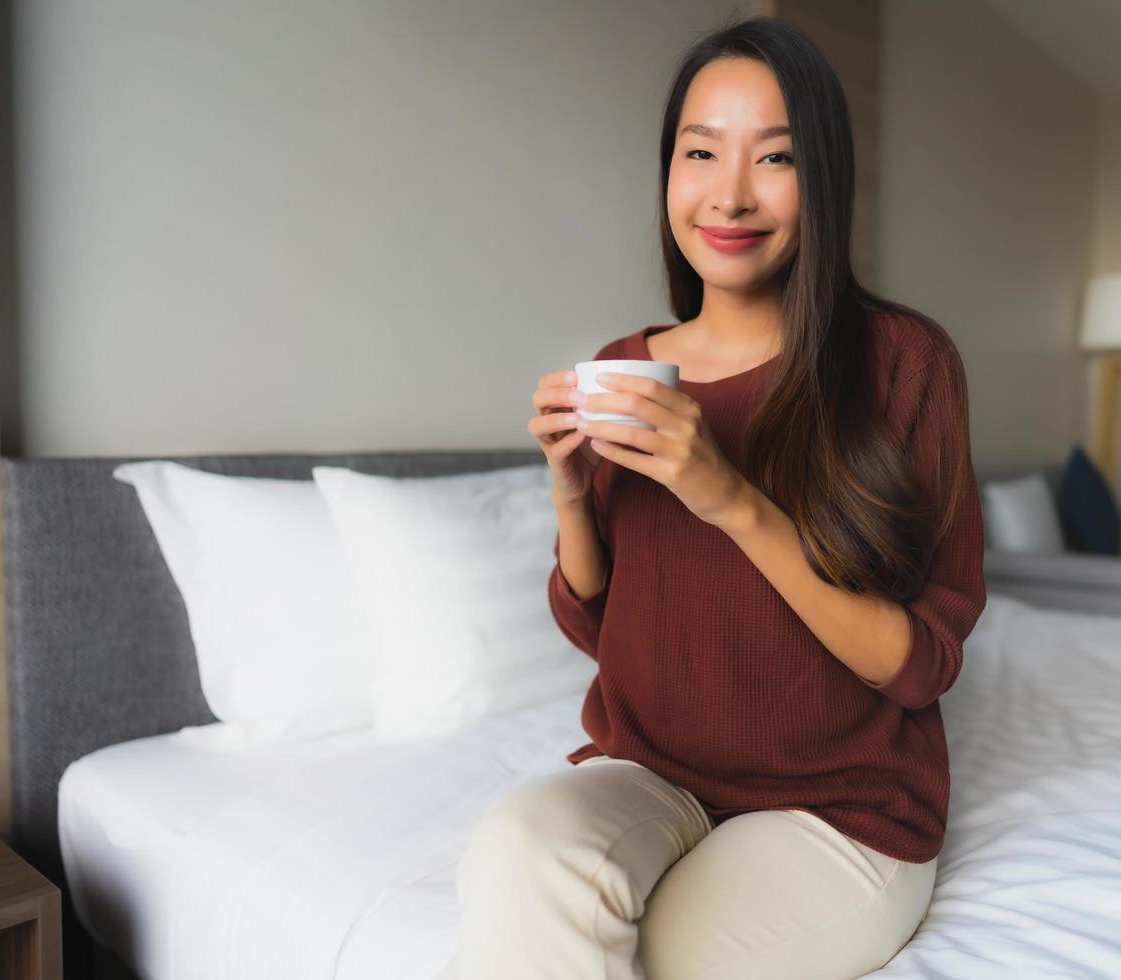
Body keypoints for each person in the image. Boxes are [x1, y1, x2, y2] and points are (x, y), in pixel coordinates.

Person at [442, 14, 986, 980]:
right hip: (651, 774)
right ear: (668, 174)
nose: (729, 192)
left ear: (822, 179)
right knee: (518, 847)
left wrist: (729, 496)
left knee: (648, 958)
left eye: (773, 157)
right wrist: (571, 492)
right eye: (701, 151)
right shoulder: (623, 369)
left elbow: (919, 668)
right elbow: (599, 629)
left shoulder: (906, 364)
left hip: (840, 805)